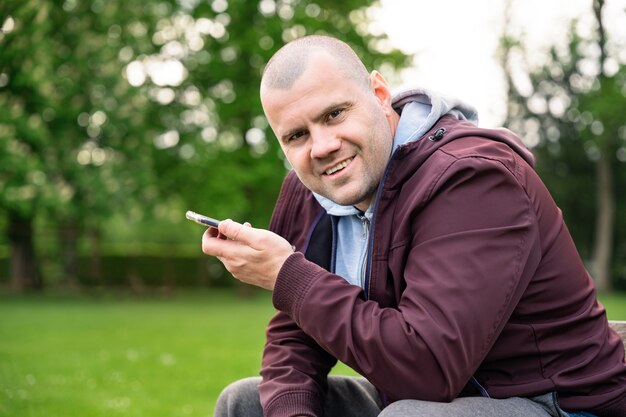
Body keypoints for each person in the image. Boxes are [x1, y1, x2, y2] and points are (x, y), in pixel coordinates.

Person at [201, 35, 626, 417]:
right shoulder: (307, 190)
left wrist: (287, 275)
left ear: (380, 94)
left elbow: (430, 368)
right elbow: (295, 339)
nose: (323, 147)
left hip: (556, 403)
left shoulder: (472, 180)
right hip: (422, 397)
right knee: (247, 404)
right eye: (296, 136)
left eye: (334, 114)